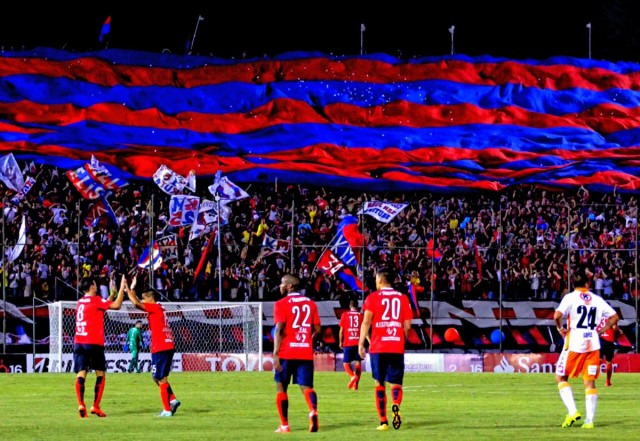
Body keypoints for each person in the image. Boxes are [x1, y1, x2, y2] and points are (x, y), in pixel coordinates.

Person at [554, 266, 619, 429]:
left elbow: (557, 315)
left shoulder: (570, 297)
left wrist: (559, 328)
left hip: (575, 342)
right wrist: (602, 330)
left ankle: (573, 411)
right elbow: (614, 317)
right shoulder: (597, 299)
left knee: (561, 377)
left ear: (572, 283)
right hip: (593, 343)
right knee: (589, 383)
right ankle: (589, 421)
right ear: (588, 283)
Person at [358, 270, 412, 431]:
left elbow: (366, 322)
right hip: (396, 345)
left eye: (376, 280)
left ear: (380, 280)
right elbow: (407, 326)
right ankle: (396, 406)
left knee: (379, 383)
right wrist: (401, 339)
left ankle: (383, 421)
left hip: (378, 347)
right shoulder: (402, 298)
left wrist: (361, 343)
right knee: (395, 383)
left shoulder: (373, 297)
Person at [272, 273, 321, 433]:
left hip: (286, 352)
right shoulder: (311, 304)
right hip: (305, 351)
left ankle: (285, 425)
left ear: (290, 286)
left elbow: (279, 329)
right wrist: (307, 340)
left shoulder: (281, 303)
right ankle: (313, 411)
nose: (280, 286)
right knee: (306, 386)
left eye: (282, 283)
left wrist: (275, 353)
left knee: (281, 387)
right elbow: (318, 330)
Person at [125, 277, 181, 417]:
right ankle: (173, 400)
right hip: (167, 344)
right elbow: (138, 301)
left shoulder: (154, 307)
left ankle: (167, 410)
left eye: (144, 299)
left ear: (149, 299)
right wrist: (133, 288)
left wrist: (128, 288)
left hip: (161, 346)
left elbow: (136, 303)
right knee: (157, 377)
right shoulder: (160, 307)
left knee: (160, 378)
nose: (143, 302)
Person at [73, 275, 126, 418]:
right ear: (92, 286)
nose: (97, 286)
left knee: (81, 373)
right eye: (95, 284)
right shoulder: (95, 300)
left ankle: (81, 404)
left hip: (79, 342)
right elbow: (116, 306)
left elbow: (102, 307)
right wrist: (121, 289)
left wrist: (112, 294)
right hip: (93, 342)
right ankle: (95, 406)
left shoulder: (80, 302)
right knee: (100, 374)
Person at [339, 299, 364, 390]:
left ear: (350, 306)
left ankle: (353, 376)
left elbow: (341, 331)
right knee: (358, 363)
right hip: (358, 342)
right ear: (357, 307)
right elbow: (364, 329)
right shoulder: (361, 316)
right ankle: (356, 385)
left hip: (348, 342)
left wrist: (340, 341)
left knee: (346, 363)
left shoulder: (345, 315)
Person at [597, 316, 622, 387]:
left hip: (599, 339)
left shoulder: (598, 314)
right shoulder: (612, 316)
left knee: (598, 361)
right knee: (608, 361)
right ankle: (607, 382)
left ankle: (590, 379)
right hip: (608, 340)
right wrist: (619, 330)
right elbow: (614, 327)